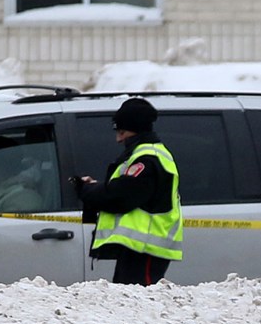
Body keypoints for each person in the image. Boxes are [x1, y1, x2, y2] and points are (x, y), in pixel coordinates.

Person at [74, 97, 183, 285]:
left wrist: (86, 190)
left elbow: (120, 196)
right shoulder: (145, 154)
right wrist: (96, 187)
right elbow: (126, 189)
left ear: (128, 129)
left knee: (141, 306)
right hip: (138, 249)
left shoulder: (147, 158)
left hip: (146, 248)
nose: (117, 138)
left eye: (119, 130)